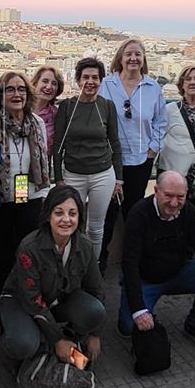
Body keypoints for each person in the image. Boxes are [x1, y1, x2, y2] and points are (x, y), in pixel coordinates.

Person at [117, 171, 195, 357]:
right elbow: (129, 262)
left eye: (180, 197)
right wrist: (138, 309)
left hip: (178, 270)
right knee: (128, 325)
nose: (174, 203)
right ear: (156, 191)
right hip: (145, 277)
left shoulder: (188, 211)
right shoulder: (139, 213)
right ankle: (136, 311)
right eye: (168, 196)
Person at [0, 185, 105, 367]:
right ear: (48, 215)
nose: (66, 219)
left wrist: (94, 333)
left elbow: (96, 289)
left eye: (73, 213)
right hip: (21, 301)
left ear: (79, 217)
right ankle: (26, 336)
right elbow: (32, 301)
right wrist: (57, 339)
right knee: (23, 344)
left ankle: (54, 343)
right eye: (58, 213)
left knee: (95, 312)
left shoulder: (85, 245)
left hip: (55, 300)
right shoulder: (29, 247)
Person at [0, 72, 52, 330]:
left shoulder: (36, 122)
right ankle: (2, 305)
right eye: (10, 90)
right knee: (1, 255)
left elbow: (44, 158)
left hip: (31, 195)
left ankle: (28, 302)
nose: (16, 95)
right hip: (0, 196)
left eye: (21, 90)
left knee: (27, 253)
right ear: (0, 96)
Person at [98, 39, 167, 273]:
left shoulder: (152, 87)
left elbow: (161, 120)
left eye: (138, 54)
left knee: (134, 212)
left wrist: (153, 149)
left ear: (144, 58)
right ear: (120, 57)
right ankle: (100, 261)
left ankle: (133, 262)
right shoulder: (106, 84)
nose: (133, 58)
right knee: (107, 212)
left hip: (140, 160)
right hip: (109, 160)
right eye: (129, 54)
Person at [52, 57, 123, 259]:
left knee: (96, 228)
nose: (90, 82)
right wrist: (58, 179)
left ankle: (91, 271)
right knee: (71, 226)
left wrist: (119, 178)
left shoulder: (107, 106)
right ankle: (70, 267)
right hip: (73, 174)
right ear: (78, 80)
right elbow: (58, 145)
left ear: (101, 81)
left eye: (95, 77)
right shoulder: (67, 106)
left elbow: (115, 143)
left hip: (102, 174)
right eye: (86, 77)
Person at [155, 65, 195, 203]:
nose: (193, 82)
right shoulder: (169, 110)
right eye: (188, 79)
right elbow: (157, 138)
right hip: (173, 175)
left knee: (192, 215)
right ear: (182, 85)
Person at [30, 66, 66, 151]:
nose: (49, 87)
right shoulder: (20, 109)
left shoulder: (57, 115)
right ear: (35, 83)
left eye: (54, 83)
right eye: (45, 81)